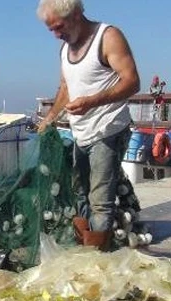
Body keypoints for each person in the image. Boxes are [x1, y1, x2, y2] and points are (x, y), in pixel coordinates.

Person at [36, 0, 140, 249]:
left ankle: (97, 260)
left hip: (108, 130)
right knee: (80, 192)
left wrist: (93, 101)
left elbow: (132, 81)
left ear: (76, 14)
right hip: (81, 133)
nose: (55, 34)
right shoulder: (64, 49)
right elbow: (65, 88)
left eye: (58, 27)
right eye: (50, 29)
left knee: (100, 200)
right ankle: (86, 246)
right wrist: (50, 118)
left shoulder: (108, 37)